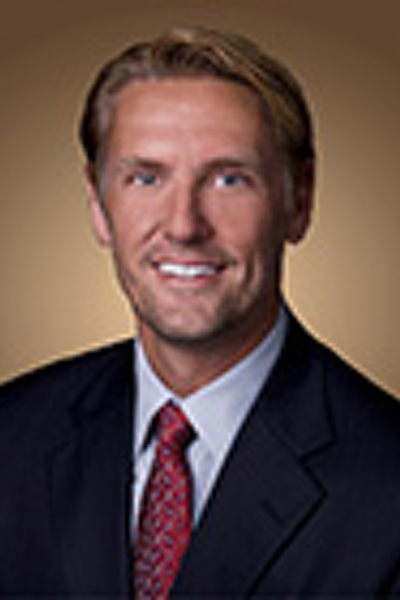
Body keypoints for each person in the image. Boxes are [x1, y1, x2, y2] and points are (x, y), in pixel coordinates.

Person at [1, 25, 400, 599]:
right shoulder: (12, 437)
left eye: (229, 179)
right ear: (98, 205)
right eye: (146, 178)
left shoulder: (387, 484)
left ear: (299, 199)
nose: (185, 225)